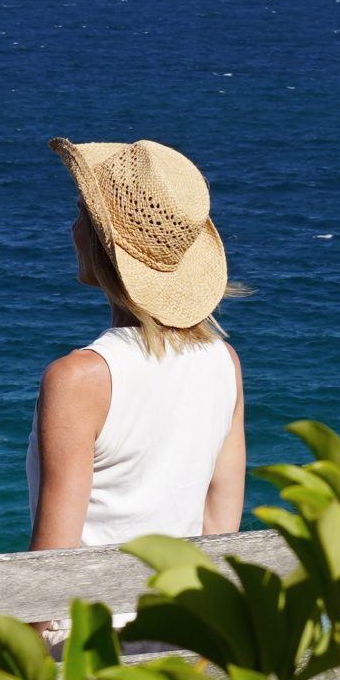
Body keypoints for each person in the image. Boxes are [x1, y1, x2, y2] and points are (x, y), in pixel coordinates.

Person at [28, 138, 246, 552]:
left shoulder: (80, 379)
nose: (71, 229)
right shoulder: (224, 363)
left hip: (92, 616)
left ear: (98, 240)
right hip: (180, 612)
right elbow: (219, 528)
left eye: (79, 214)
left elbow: (51, 570)